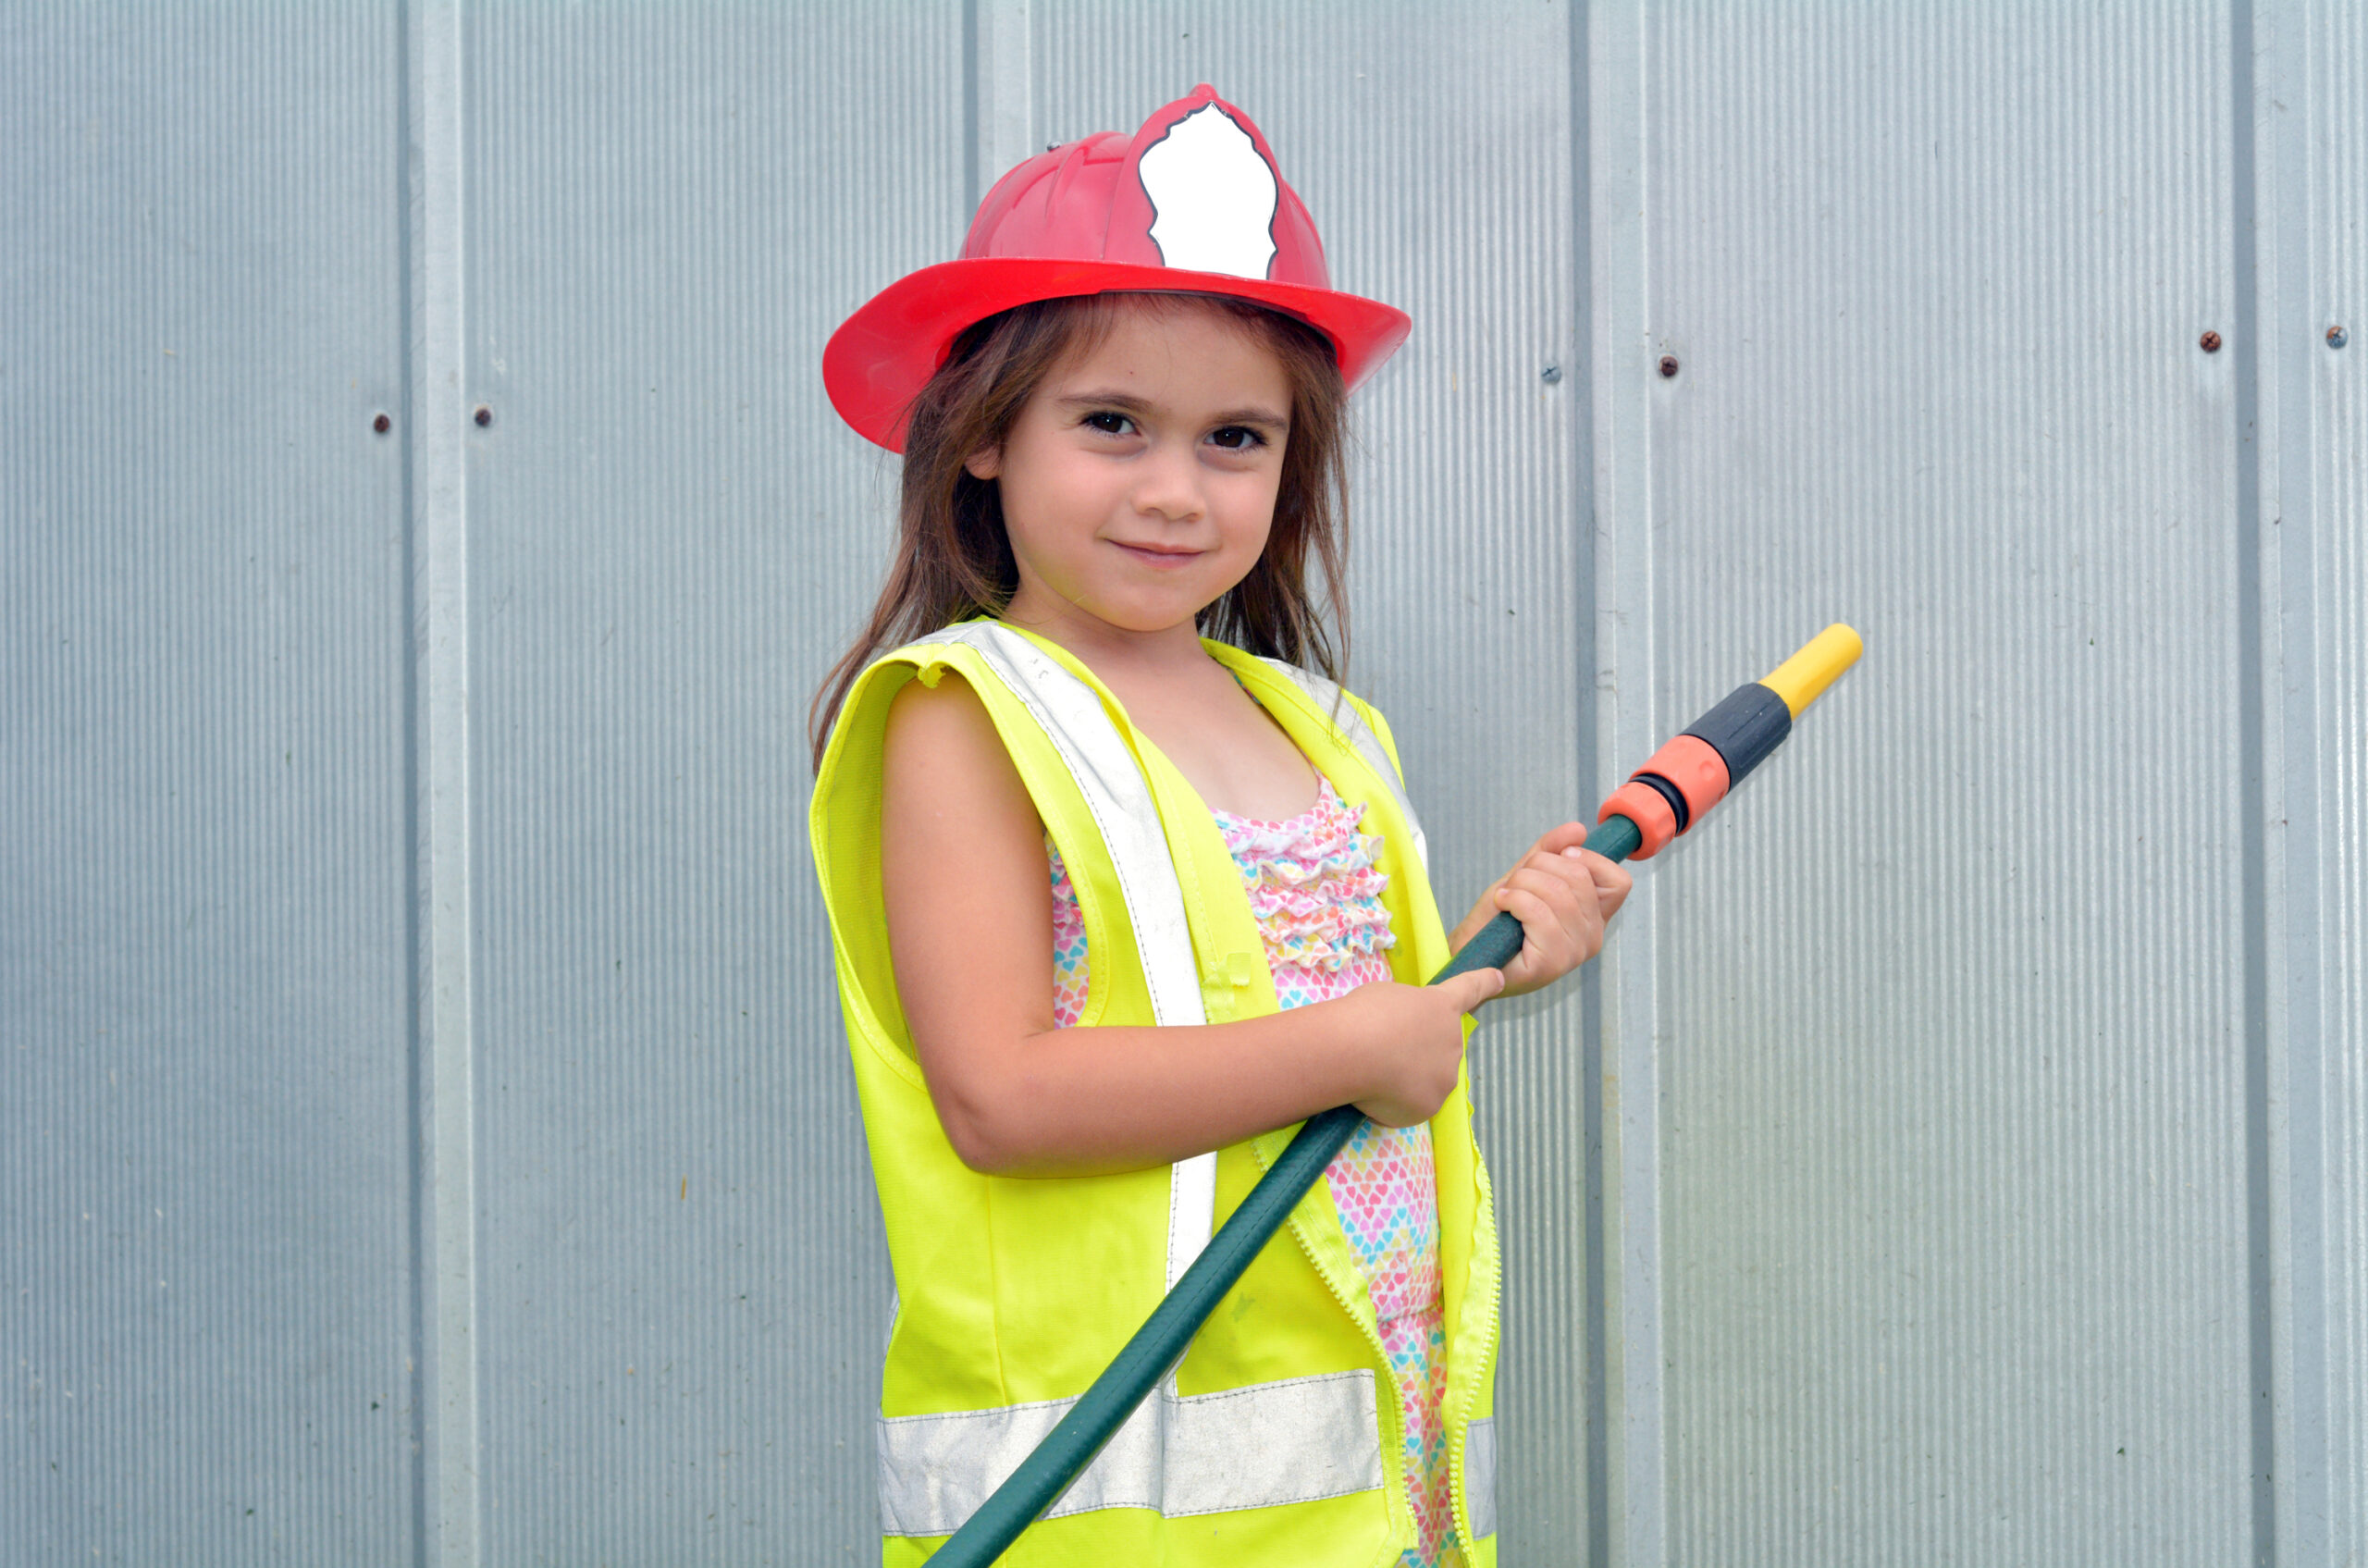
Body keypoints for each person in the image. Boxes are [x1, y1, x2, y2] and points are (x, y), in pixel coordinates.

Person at [808, 85, 1630, 1568]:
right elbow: (998, 1096)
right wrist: (1364, 1046)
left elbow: (1321, 1025)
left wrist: (1494, 967)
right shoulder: (967, 715)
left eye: (1235, 439)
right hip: (1112, 1510)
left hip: (1375, 1490)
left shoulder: (1320, 724)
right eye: (1112, 423)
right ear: (983, 434)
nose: (1176, 491)